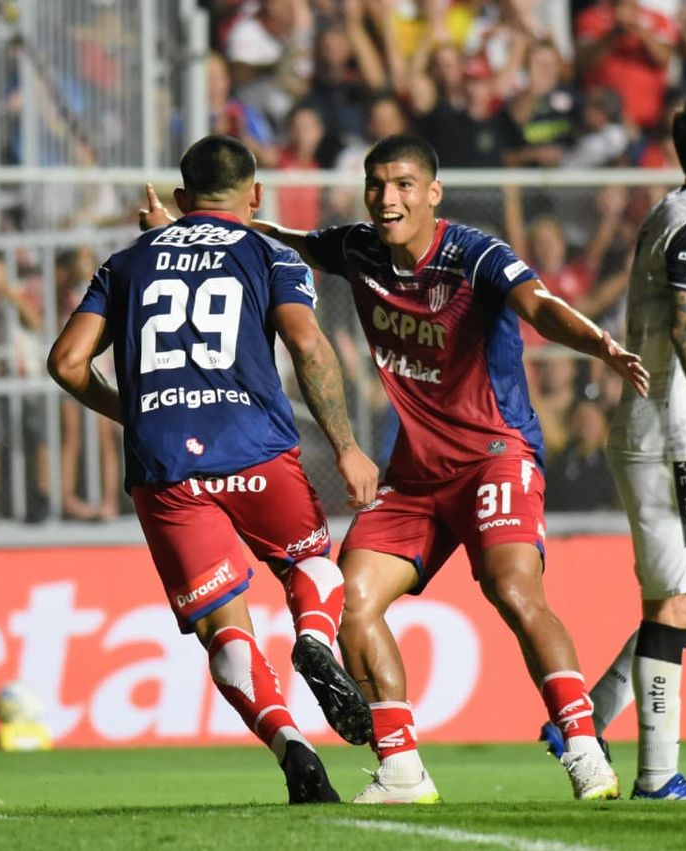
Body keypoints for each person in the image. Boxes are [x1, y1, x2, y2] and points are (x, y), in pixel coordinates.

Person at [145, 133, 648, 804]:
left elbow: (540, 307)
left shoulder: (474, 254)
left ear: (433, 193)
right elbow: (284, 238)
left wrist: (601, 344)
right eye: (377, 184)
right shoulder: (357, 249)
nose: (388, 198)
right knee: (349, 599)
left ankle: (584, 749)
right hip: (413, 477)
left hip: (494, 456)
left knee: (512, 587)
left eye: (404, 185)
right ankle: (402, 769)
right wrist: (192, 231)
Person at [50, 135, 379, 804]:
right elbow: (308, 344)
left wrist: (136, 412)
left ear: (181, 197)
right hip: (254, 446)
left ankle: (292, 746)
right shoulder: (271, 253)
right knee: (310, 561)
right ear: (255, 195)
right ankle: (314, 639)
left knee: (221, 627)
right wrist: (346, 443)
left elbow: (67, 362)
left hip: (166, 464)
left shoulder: (127, 262)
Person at [543, 93, 686, 802]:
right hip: (673, 436)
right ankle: (657, 775)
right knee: (674, 601)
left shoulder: (677, 214)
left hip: (671, 434)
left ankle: (587, 716)